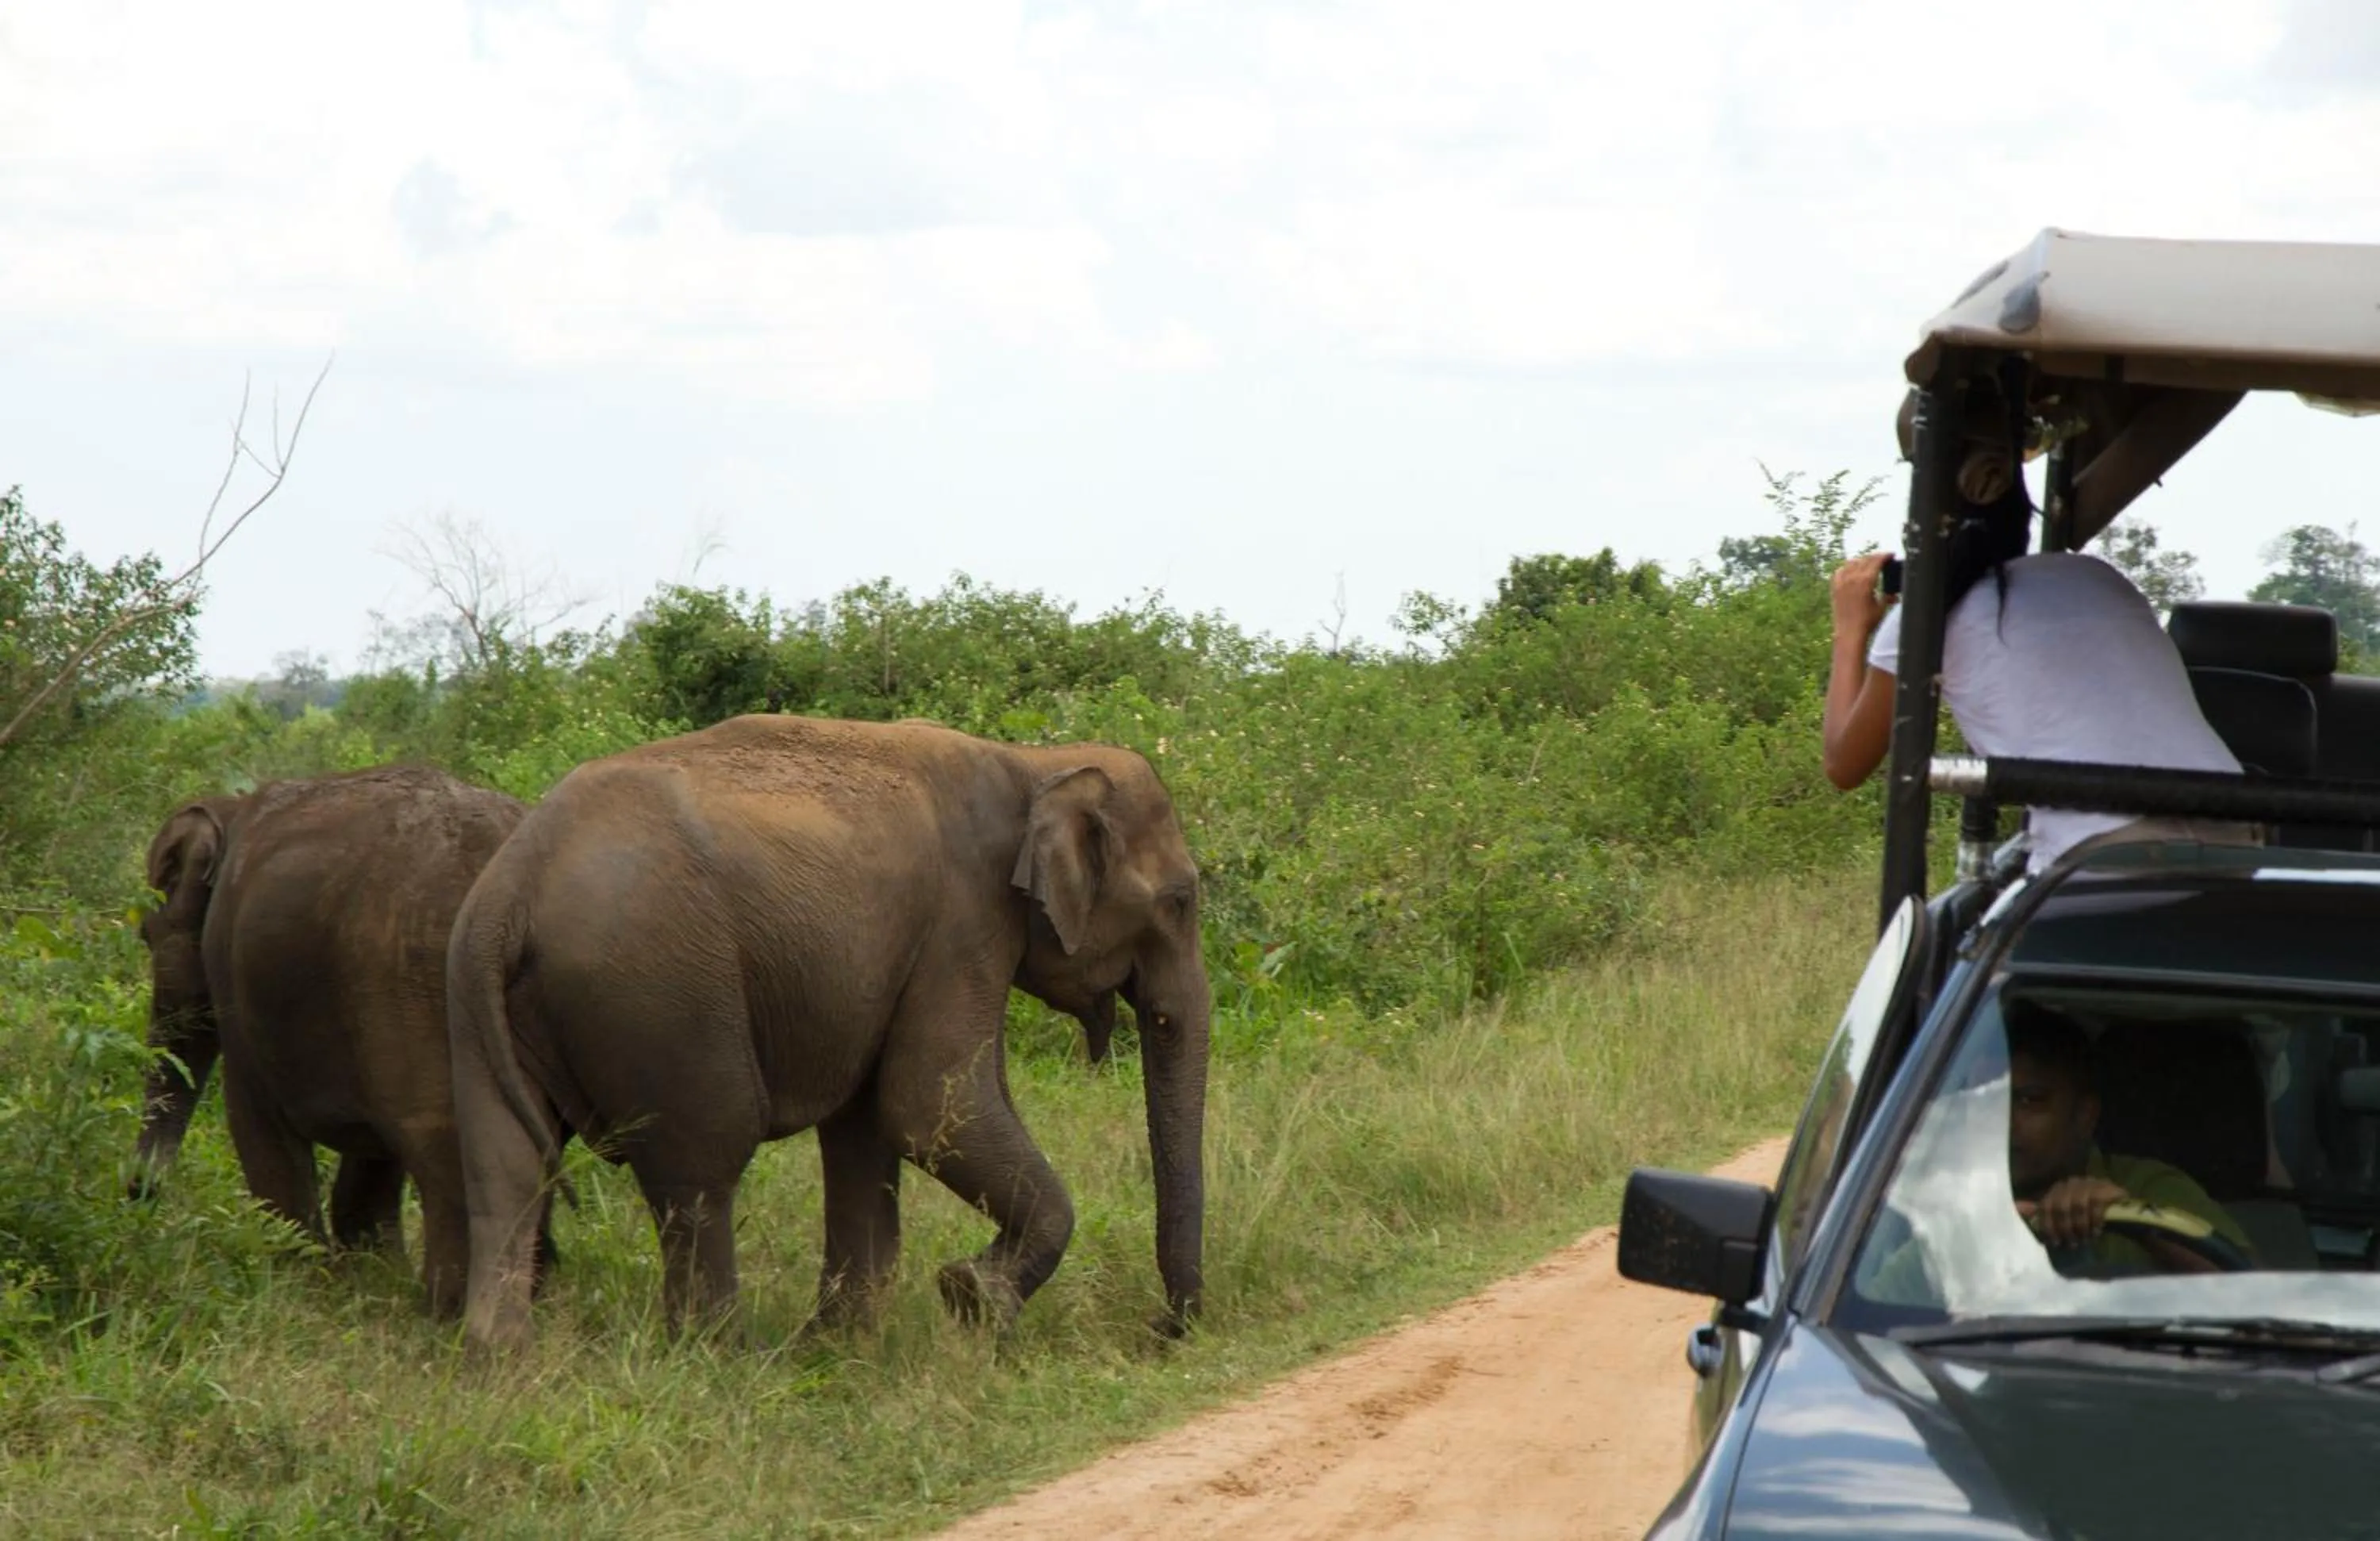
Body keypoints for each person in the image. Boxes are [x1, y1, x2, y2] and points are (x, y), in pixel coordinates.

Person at [1821, 385, 2254, 874]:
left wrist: (1851, 629)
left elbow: (1844, 763)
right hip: (2236, 831)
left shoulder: (1926, 618)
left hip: (2109, 850)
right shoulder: (2095, 577)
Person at [1860, 1003, 2252, 1305]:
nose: (2002, 1122)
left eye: (2030, 1101)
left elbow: (2258, 1298)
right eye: (1986, 1101)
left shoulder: (2151, 1189)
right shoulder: (1951, 1210)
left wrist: (2135, 1219)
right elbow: (1867, 1325)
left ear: (2084, 1116)